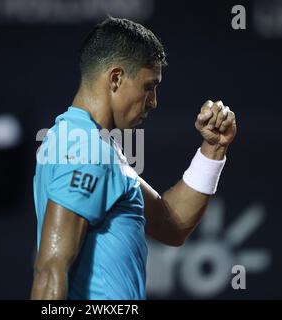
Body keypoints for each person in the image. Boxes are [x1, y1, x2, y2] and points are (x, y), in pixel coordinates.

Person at [30, 17, 237, 300]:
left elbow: (169, 224)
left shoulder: (84, 141)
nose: (153, 101)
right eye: (149, 86)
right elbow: (50, 268)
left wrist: (213, 149)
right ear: (116, 79)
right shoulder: (87, 148)